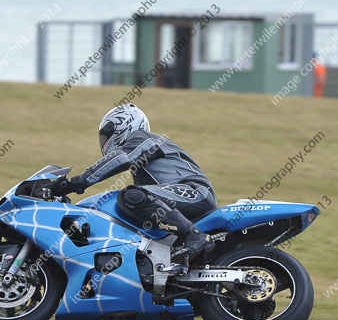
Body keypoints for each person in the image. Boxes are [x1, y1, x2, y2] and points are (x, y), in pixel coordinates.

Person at [52, 104, 217, 259]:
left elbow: (121, 158)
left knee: (131, 196)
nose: (104, 141)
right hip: (187, 196)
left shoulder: (143, 138)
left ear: (122, 125)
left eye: (106, 135)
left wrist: (77, 182)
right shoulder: (143, 162)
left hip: (194, 191)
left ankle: (194, 235)